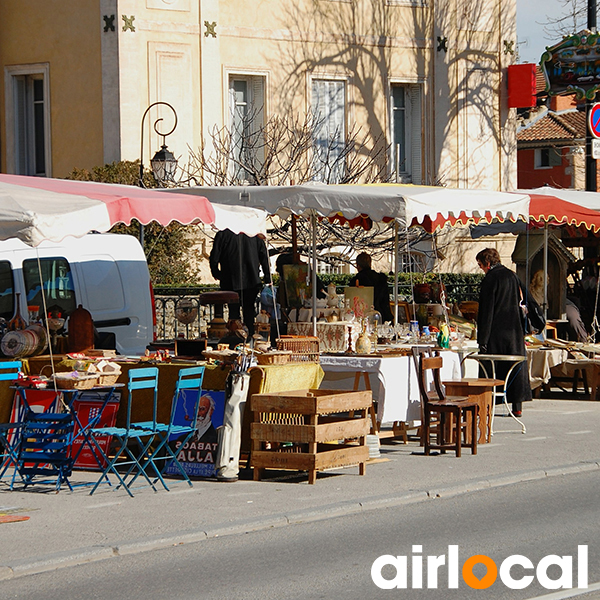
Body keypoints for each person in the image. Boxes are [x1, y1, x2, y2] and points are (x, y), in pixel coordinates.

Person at [476, 248, 531, 417]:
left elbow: (486, 311)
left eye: (480, 265)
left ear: (487, 263)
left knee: (490, 369)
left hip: (496, 332)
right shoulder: (512, 276)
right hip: (514, 330)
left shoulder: (490, 279)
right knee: (514, 369)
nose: (481, 268)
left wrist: (482, 339)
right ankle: (517, 406)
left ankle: (487, 403)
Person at [209, 229, 270, 336]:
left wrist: (217, 274)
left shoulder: (223, 234)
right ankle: (250, 338)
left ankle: (235, 338)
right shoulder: (254, 234)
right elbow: (264, 257)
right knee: (249, 311)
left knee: (233, 313)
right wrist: (267, 277)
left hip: (230, 280)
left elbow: (214, 257)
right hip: (251, 280)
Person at [349, 252, 394, 323]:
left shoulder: (357, 280)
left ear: (358, 266)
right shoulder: (381, 279)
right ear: (370, 264)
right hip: (382, 315)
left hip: (363, 318)